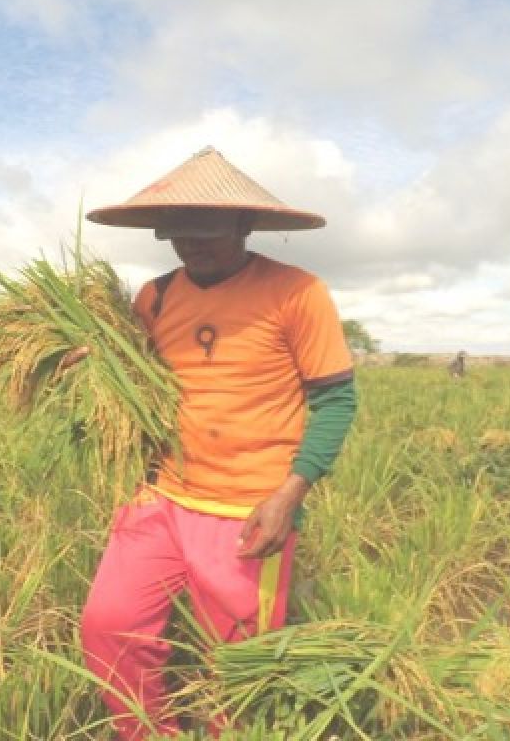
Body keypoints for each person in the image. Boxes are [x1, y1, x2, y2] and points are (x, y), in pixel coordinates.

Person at [78, 146, 357, 740]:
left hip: (246, 507)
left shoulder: (296, 293)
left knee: (235, 663)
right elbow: (137, 387)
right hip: (161, 499)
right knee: (107, 625)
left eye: (210, 230)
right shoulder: (153, 298)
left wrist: (289, 495)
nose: (194, 243)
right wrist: (89, 362)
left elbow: (336, 402)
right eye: (182, 232)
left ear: (244, 224)